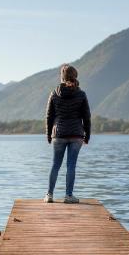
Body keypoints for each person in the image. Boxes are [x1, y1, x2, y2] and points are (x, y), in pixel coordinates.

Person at [44, 64, 91, 204]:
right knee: (71, 166)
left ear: (62, 77)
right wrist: (87, 136)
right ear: (75, 76)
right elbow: (87, 117)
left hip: (58, 134)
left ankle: (49, 195)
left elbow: (48, 116)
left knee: (55, 165)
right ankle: (68, 196)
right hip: (76, 134)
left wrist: (48, 135)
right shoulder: (81, 94)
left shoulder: (54, 93)